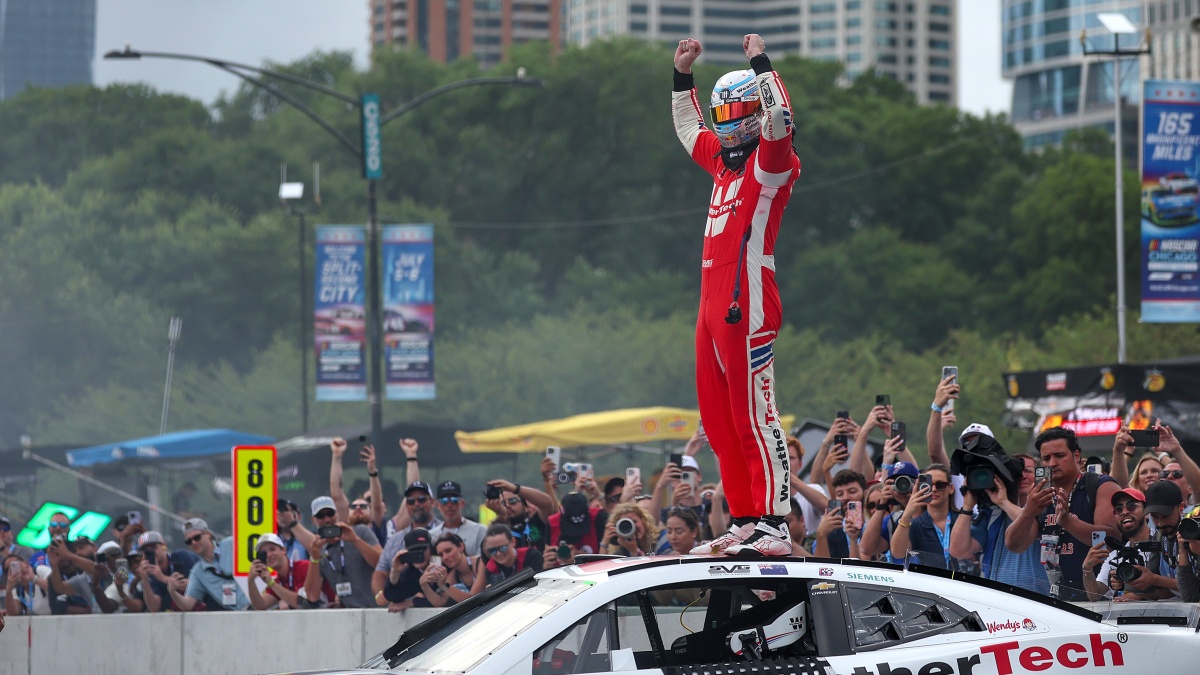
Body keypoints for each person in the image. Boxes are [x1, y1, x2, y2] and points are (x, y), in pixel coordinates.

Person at [672, 33, 801, 557]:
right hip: (709, 308)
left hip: (747, 302)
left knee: (755, 414)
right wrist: (682, 75)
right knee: (719, 422)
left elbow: (780, 120)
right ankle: (745, 519)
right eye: (721, 113)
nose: (726, 123)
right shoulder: (722, 163)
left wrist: (762, 64)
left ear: (753, 111)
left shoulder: (772, 165)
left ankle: (775, 522)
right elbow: (689, 128)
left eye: (736, 111)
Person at [1006, 426, 1119, 601]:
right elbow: (1015, 546)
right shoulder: (1041, 496)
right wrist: (1028, 512)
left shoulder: (1100, 486)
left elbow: (1111, 539)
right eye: (1046, 458)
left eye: (1059, 456)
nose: (1052, 463)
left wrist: (1068, 522)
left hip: (1102, 596)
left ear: (1076, 456)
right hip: (1059, 598)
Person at [950, 453, 1049, 594]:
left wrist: (1004, 502)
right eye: (1016, 472)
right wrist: (967, 506)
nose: (1022, 476)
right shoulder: (994, 513)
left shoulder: (1047, 508)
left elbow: (1030, 523)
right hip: (998, 597)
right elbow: (958, 550)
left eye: (1027, 470)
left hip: (1040, 598)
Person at [306, 495, 381, 608]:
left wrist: (355, 540)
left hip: (378, 608)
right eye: (321, 516)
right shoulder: (318, 549)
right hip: (351, 612)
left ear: (336, 514)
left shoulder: (359, 531)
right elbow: (312, 596)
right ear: (314, 520)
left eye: (330, 514)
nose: (327, 519)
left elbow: (381, 564)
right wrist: (314, 559)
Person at [170, 518, 250, 611]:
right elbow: (187, 605)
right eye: (189, 541)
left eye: (197, 537)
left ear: (208, 534)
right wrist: (172, 591)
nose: (194, 542)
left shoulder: (231, 544)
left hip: (259, 606)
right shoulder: (197, 572)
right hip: (239, 615)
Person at [890, 465, 954, 569]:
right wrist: (907, 513)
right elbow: (898, 553)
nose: (934, 489)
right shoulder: (915, 525)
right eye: (928, 485)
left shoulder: (963, 520)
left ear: (951, 488)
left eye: (940, 485)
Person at [247, 532, 329, 610]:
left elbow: (304, 603)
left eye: (272, 549)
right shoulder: (278, 581)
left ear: (283, 550)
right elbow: (260, 605)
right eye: (264, 553)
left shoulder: (303, 567)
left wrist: (271, 583)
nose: (268, 555)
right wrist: (251, 581)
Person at [135, 530, 199, 612]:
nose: (152, 553)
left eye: (154, 547)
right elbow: (154, 608)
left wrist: (162, 577)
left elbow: (197, 585)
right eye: (146, 551)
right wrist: (145, 581)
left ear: (163, 546)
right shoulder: (151, 574)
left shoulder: (182, 557)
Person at [419, 532, 486, 607]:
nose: (445, 557)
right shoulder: (452, 576)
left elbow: (473, 599)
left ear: (461, 546)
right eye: (440, 555)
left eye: (448, 551)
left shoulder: (480, 562)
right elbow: (440, 602)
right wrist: (424, 585)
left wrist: (444, 585)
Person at [812, 470, 867, 560]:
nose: (845, 497)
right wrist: (821, 534)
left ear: (866, 493)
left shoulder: (876, 523)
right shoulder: (831, 532)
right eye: (840, 494)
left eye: (852, 491)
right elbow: (820, 565)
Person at [379, 528, 433, 611]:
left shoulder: (441, 564)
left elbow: (444, 599)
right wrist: (395, 572)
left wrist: (412, 602)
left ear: (431, 549)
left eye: (422, 549)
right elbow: (392, 596)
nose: (419, 554)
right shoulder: (409, 572)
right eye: (413, 551)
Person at [429, 481, 487, 556]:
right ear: (437, 505)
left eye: (454, 500)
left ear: (462, 503)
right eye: (444, 501)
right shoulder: (431, 535)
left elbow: (482, 560)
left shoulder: (480, 531)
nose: (449, 505)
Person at [546, 492, 608, 562]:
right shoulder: (552, 524)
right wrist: (547, 565)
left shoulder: (599, 518)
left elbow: (612, 554)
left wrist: (582, 558)